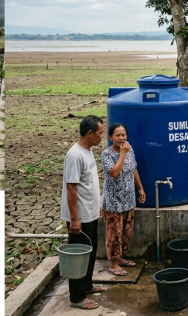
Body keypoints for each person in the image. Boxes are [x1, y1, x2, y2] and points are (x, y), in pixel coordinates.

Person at [61, 115, 107, 310]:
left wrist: (97, 206)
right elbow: (71, 188)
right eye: (100, 133)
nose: (102, 136)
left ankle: (86, 285)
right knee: (78, 257)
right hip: (79, 216)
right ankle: (77, 297)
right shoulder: (75, 155)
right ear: (90, 133)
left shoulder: (87, 151)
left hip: (90, 213)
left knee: (90, 252)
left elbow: (88, 184)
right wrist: (74, 219)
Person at [100, 123, 146, 277]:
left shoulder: (129, 149)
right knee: (114, 233)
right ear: (110, 137)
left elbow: (133, 168)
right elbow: (114, 173)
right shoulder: (106, 154)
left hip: (128, 199)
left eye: (123, 135)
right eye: (117, 135)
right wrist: (122, 154)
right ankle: (113, 264)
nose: (121, 138)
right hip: (113, 202)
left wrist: (140, 188)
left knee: (126, 232)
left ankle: (120, 257)